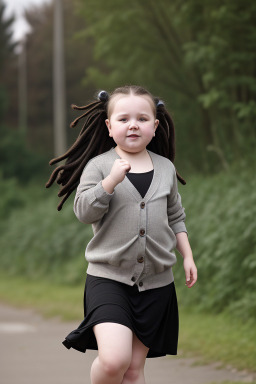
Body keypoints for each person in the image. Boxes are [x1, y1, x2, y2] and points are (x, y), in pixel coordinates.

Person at [46, 85, 197, 384]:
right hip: (108, 279)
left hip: (156, 283)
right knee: (115, 360)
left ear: (154, 127)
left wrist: (188, 256)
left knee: (133, 371)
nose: (133, 125)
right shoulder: (99, 166)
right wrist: (110, 182)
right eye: (124, 118)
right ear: (109, 126)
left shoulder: (166, 168)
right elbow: (83, 212)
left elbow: (175, 216)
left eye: (142, 119)